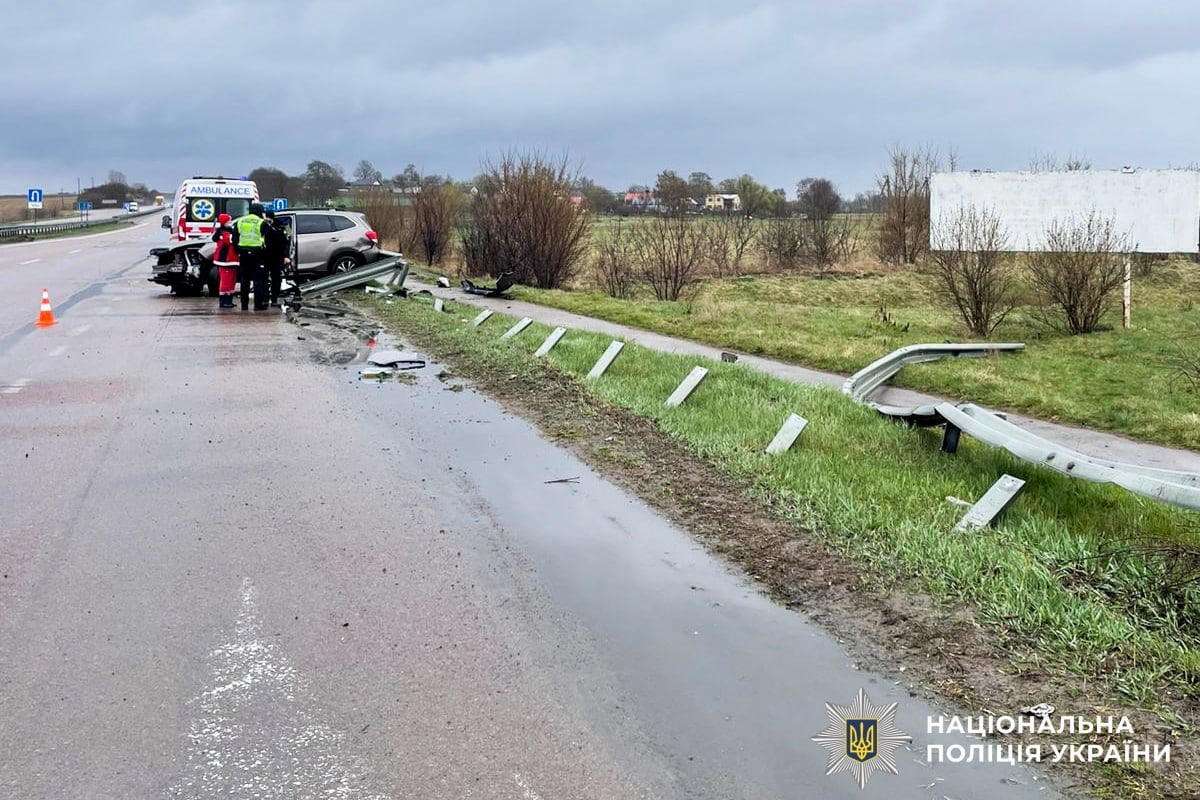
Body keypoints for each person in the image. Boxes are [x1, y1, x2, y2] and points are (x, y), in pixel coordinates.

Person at [231, 202, 269, 311]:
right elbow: (266, 239)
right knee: (258, 280)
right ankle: (257, 305)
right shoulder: (262, 223)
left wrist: (237, 251)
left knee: (244, 280)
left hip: (243, 253)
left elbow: (234, 239)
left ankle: (244, 305)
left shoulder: (240, 221)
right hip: (257, 253)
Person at [262, 210, 292, 307]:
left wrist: (285, 256)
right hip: (269, 256)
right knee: (267, 278)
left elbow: (285, 243)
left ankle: (272, 299)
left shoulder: (277, 227)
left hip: (273, 256)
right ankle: (268, 298)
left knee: (274, 278)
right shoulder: (264, 226)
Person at [211, 213, 239, 309]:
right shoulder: (223, 232)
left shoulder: (227, 230)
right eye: (229, 221)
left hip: (231, 260)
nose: (230, 222)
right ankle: (224, 301)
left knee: (231, 281)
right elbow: (231, 240)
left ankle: (229, 300)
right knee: (226, 281)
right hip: (226, 260)